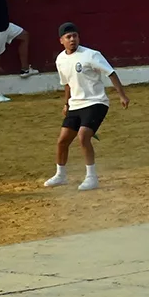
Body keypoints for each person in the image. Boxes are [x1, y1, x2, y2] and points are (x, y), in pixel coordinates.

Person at [44, 22, 128, 190]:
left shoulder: (91, 55)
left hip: (96, 102)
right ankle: (61, 175)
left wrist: (122, 95)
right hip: (76, 104)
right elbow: (67, 84)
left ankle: (92, 177)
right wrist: (66, 103)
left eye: (75, 36)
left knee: (83, 136)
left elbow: (110, 72)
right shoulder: (60, 59)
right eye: (68, 37)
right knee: (62, 140)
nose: (72, 39)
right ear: (61, 40)